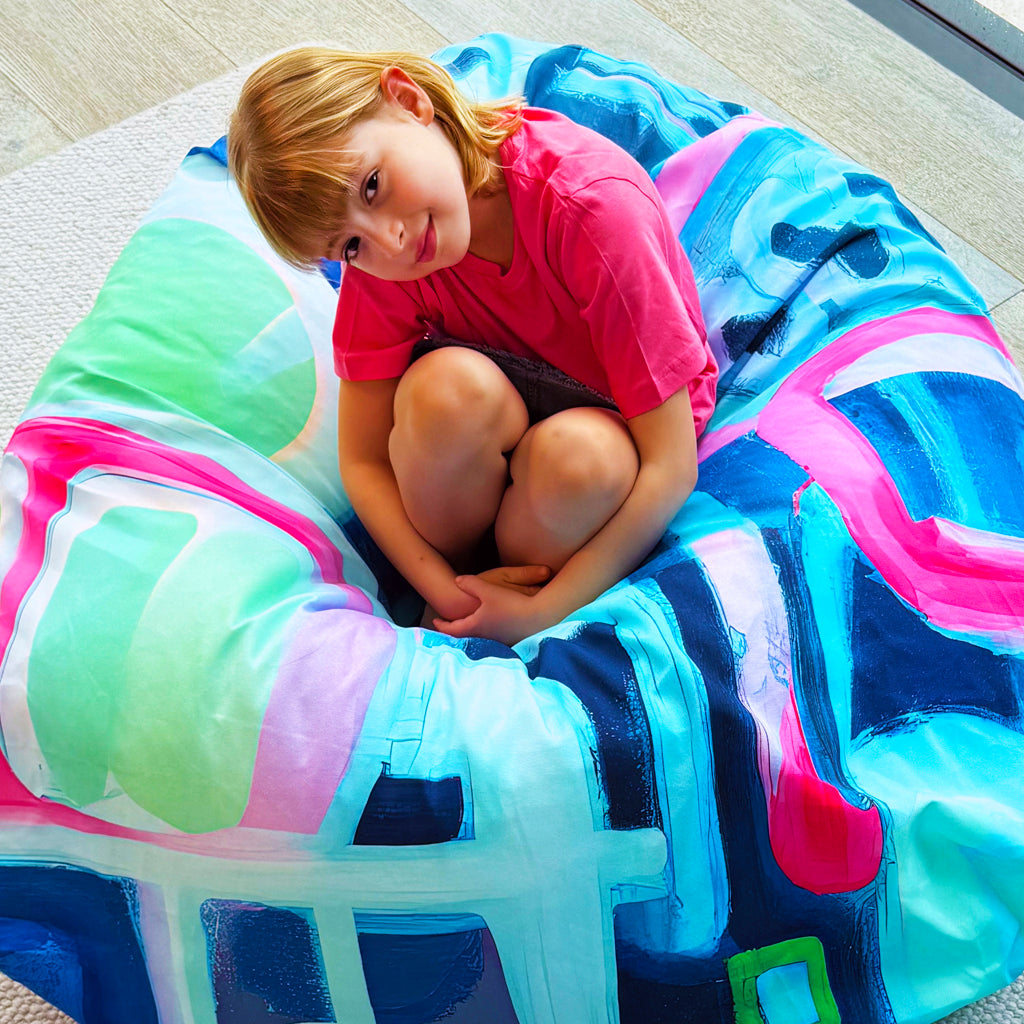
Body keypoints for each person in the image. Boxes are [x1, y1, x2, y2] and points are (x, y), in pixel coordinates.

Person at [229, 46, 717, 646]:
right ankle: (482, 579)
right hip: (493, 429)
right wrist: (447, 591)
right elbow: (362, 459)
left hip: (622, 430)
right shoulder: (386, 266)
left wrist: (543, 614)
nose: (391, 240)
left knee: (581, 458)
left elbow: (670, 468)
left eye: (374, 186)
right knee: (445, 392)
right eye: (349, 246)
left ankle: (520, 582)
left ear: (409, 102)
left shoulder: (589, 206)